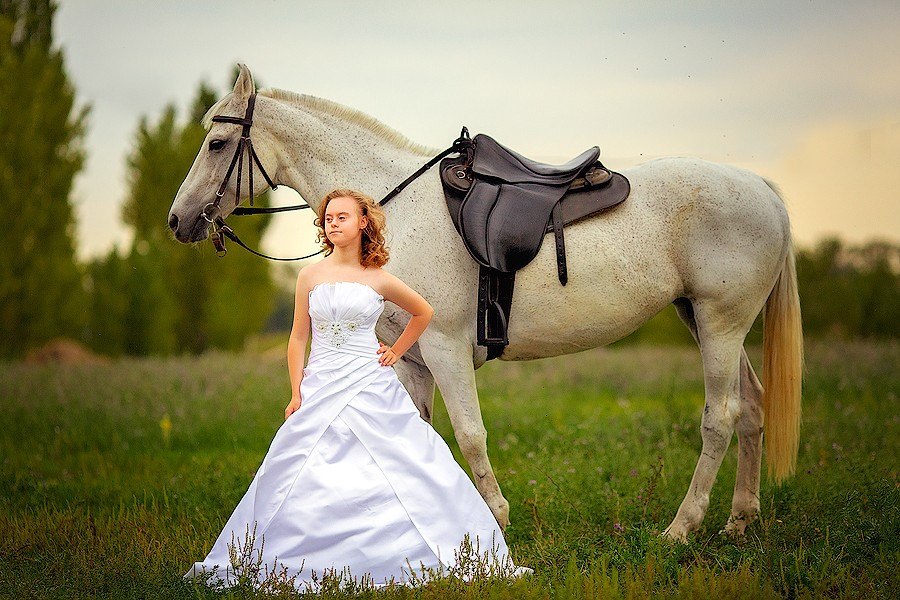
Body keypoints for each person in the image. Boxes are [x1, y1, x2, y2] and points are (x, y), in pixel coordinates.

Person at [184, 189, 529, 591]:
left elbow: (424, 312)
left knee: (402, 459)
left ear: (363, 222)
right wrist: (296, 393)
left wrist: (396, 350)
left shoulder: (378, 278)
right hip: (321, 381)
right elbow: (298, 339)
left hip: (368, 380)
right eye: (328, 218)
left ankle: (415, 547)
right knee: (298, 465)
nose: (332, 223)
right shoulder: (310, 275)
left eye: (342, 217)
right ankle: (293, 554)